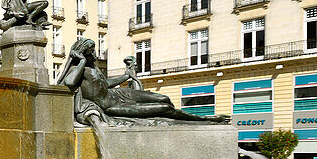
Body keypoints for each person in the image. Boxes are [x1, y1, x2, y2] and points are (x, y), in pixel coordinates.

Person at [59, 38, 230, 125]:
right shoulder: (79, 68)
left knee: (163, 99)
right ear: (82, 53)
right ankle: (205, 119)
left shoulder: (94, 67)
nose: (94, 54)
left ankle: (201, 119)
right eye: (90, 52)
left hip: (118, 94)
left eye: (93, 51)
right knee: (164, 108)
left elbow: (105, 84)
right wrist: (80, 61)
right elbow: (69, 83)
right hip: (111, 106)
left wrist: (126, 76)